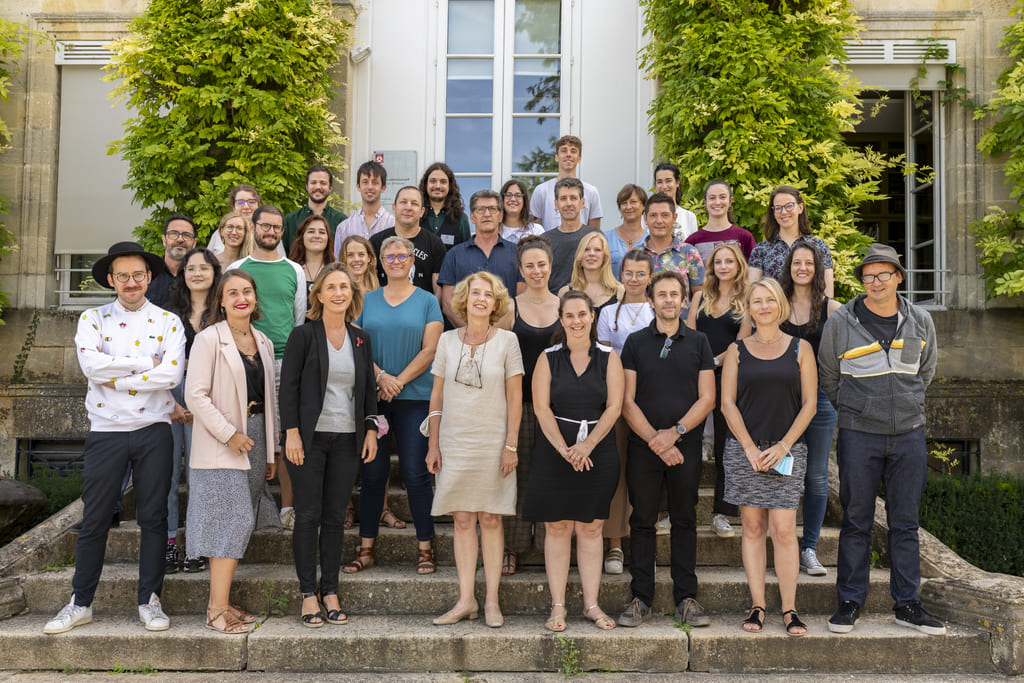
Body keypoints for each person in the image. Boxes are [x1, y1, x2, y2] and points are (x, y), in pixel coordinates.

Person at [45, 242, 184, 635]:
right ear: (110, 279)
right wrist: (145, 365)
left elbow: (171, 377)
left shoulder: (169, 323)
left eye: (138, 275)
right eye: (122, 276)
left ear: (149, 277)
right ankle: (80, 602)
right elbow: (91, 367)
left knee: (154, 517)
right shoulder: (92, 318)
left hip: (154, 429)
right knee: (94, 518)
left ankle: (150, 600)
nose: (130, 282)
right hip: (105, 430)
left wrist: (115, 375)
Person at [819, 244, 944, 636]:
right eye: (869, 276)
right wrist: (858, 410)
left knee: (905, 523)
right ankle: (849, 602)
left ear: (898, 277)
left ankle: (907, 604)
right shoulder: (842, 322)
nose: (875, 282)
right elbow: (829, 376)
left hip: (909, 435)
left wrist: (906, 405)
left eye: (883, 275)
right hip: (859, 435)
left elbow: (926, 372)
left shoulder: (920, 320)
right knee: (856, 521)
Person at [279, 264, 379, 628]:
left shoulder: (361, 339)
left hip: (347, 439)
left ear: (352, 295)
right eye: (331, 287)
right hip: (308, 439)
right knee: (307, 515)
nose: (339, 292)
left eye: (345, 287)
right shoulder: (303, 336)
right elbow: (287, 389)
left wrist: (370, 429)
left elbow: (368, 390)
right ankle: (308, 593)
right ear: (318, 295)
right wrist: (291, 433)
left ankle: (331, 589)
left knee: (336, 517)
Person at [618, 270, 715, 629]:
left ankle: (686, 597)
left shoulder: (699, 342)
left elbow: (707, 398)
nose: (669, 299)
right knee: (642, 521)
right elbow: (626, 401)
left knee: (685, 519)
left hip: (684, 446)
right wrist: (655, 441)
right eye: (662, 294)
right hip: (644, 448)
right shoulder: (635, 342)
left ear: (684, 298)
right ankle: (641, 597)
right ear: (651, 300)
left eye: (676, 293)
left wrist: (673, 434)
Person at [720, 277, 817, 637]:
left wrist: (784, 446)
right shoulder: (736, 351)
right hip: (746, 450)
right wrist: (749, 448)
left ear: (780, 305)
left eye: (769, 300)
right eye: (756, 301)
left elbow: (809, 405)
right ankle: (758, 605)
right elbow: (727, 403)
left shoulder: (800, 349)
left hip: (788, 450)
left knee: (784, 530)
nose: (763, 306)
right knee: (753, 528)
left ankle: (790, 609)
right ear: (748, 307)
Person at [427, 272, 523, 628]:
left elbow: (516, 398)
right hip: (454, 439)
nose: (480, 299)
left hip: (494, 440)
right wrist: (433, 442)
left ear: (496, 303)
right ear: (464, 300)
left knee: (491, 517)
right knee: (463, 519)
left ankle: (493, 601)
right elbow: (436, 396)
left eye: (488, 294)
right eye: (474, 293)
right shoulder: (448, 341)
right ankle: (466, 599)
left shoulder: (508, 341)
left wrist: (510, 444)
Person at [184, 269, 278, 635]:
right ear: (220, 301)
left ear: (255, 299)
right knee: (231, 521)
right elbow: (195, 395)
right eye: (233, 292)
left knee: (241, 522)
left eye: (247, 292)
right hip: (222, 442)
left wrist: (272, 453)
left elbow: (269, 402)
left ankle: (222, 602)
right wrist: (229, 434)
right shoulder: (209, 339)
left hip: (255, 439)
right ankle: (215, 610)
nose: (241, 298)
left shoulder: (264, 342)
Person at [523, 291, 623, 632]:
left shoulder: (609, 357)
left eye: (582, 314)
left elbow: (614, 407)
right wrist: (566, 450)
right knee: (558, 526)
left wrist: (587, 447)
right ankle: (558, 606)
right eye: (570, 315)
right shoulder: (547, 357)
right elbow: (540, 408)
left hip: (598, 452)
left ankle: (592, 605)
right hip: (555, 453)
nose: (577, 321)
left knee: (592, 527)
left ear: (592, 316)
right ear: (561, 319)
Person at [348, 236, 443, 575]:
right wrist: (382, 377)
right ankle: (366, 547)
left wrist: (398, 380)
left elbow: (431, 350)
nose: (396, 260)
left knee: (417, 475)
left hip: (415, 396)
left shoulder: (428, 301)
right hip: (374, 397)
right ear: (381, 262)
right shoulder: (364, 301)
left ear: (411, 261)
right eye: (390, 255)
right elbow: (356, 345)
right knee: (373, 475)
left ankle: (425, 548)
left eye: (402, 254)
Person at [229, 205, 305, 530]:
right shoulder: (237, 268)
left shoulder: (295, 270)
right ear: (253, 226)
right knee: (251, 433)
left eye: (277, 227)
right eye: (265, 226)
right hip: (248, 362)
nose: (271, 231)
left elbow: (299, 318)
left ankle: (288, 507)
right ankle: (248, 506)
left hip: (286, 363)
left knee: (287, 434)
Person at [779, 240, 842, 577]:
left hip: (819, 400)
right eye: (796, 263)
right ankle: (782, 545)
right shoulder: (778, 305)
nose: (802, 268)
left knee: (816, 476)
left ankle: (809, 548)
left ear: (817, 269)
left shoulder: (832, 309)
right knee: (782, 472)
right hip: (782, 400)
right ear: (788, 268)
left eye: (809, 263)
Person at [499, 235, 561, 576]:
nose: (536, 271)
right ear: (520, 269)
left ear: (550, 267)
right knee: (518, 476)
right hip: (520, 405)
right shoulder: (510, 306)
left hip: (556, 407)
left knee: (553, 476)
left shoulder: (564, 304)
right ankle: (514, 546)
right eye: (529, 265)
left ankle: (550, 542)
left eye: (542, 264)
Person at [685, 243, 751, 539]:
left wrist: (714, 361)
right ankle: (676, 509)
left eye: (729, 261)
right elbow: (687, 333)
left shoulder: (747, 299)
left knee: (728, 445)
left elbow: (742, 341)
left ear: (738, 265)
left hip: (729, 375)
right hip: (695, 375)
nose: (724, 266)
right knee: (687, 440)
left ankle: (722, 512)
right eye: (719, 262)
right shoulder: (699, 296)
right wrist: (701, 364)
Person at [596, 248, 655, 573]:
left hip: (653, 400)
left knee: (647, 471)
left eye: (640, 274)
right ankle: (616, 544)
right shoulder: (608, 314)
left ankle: (645, 537)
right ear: (622, 276)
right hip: (618, 402)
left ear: (649, 276)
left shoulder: (658, 310)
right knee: (617, 472)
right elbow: (605, 358)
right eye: (628, 273)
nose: (634, 279)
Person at [164, 248, 222, 575]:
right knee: (169, 474)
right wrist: (171, 401)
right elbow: (157, 361)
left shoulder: (223, 312)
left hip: (212, 394)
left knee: (200, 474)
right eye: (190, 268)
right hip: (171, 394)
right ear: (182, 274)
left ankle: (197, 546)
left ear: (215, 272)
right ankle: (170, 543)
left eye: (204, 267)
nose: (197, 273)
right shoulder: (168, 314)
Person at [439, 189, 520, 327]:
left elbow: (520, 301)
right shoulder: (454, 255)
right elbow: (448, 304)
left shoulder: (517, 253)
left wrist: (495, 335)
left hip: (504, 336)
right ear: (472, 217)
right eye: (481, 209)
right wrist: (472, 333)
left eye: (492, 209)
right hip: (464, 337)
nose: (487, 214)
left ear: (500, 216)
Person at [749, 185, 834, 298]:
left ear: (800, 208)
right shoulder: (761, 250)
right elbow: (752, 293)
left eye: (789, 206)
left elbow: (827, 294)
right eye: (778, 208)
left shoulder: (819, 246)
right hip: (773, 313)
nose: (783, 212)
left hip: (810, 313)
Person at [369, 185, 446, 296]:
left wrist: (431, 313)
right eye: (403, 202)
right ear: (394, 208)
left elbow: (438, 291)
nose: (408, 207)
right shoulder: (376, 242)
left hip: (421, 312)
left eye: (414, 203)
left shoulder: (435, 244)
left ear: (422, 211)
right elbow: (370, 284)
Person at [641, 193, 705, 320]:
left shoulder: (689, 253)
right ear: (645, 219)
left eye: (665, 215)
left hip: (683, 329)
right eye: (653, 215)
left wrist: (692, 324)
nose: (659, 221)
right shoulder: (635, 255)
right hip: (643, 330)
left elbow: (699, 294)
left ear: (674, 218)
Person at [529, 135, 603, 231]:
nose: (568, 154)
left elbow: (595, 233)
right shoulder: (541, 191)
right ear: (556, 157)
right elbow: (535, 231)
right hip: (549, 245)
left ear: (579, 158)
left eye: (573, 151)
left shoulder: (591, 191)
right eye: (564, 151)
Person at [545, 177, 601, 294]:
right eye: (563, 198)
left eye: (573, 198)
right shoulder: (545, 241)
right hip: (555, 306)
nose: (568, 203)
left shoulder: (594, 237)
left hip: (590, 304)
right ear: (556, 204)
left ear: (582, 203)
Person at [685, 179, 756, 265]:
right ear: (705, 202)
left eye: (722, 197)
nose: (717, 202)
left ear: (730, 201)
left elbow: (753, 273)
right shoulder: (693, 241)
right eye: (712, 198)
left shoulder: (744, 237)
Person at [282, 165, 348, 254]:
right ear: (306, 186)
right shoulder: (291, 220)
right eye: (313, 182)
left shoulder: (341, 221)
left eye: (323, 183)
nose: (318, 187)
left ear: (330, 188)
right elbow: (283, 254)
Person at [558, 231, 624, 318]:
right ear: (580, 255)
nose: (591, 254)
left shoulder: (620, 291)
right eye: (586, 249)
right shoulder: (564, 292)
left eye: (597, 250)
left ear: (605, 257)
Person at [333, 160, 395, 249]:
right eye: (365, 182)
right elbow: (339, 261)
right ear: (358, 186)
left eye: (375, 182)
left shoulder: (393, 225)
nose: (370, 187)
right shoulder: (344, 228)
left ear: (383, 188)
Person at [148, 214, 198, 310]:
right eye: (173, 234)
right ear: (164, 240)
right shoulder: (147, 276)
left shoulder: (202, 278)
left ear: (194, 243)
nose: (180, 239)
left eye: (186, 235)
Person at [419, 162, 472, 249]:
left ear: (450, 186)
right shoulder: (415, 216)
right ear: (425, 185)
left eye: (443, 182)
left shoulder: (461, 218)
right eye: (433, 181)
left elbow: (467, 254)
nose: (437, 186)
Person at [604, 185, 648, 280]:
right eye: (624, 203)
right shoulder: (606, 238)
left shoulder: (650, 239)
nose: (628, 207)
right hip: (612, 294)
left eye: (633, 202)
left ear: (644, 205)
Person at [287, 214, 335, 299]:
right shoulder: (291, 270)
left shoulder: (335, 270)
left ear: (328, 238)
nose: (317, 236)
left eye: (322, 232)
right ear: (302, 237)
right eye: (311, 231)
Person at [208, 184, 264, 256]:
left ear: (258, 206)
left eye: (251, 202)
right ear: (233, 207)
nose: (246, 207)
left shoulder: (268, 233)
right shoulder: (220, 234)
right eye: (240, 202)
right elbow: (207, 261)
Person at [650, 162, 698, 241]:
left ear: (677, 183)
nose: (664, 186)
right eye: (659, 182)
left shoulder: (689, 217)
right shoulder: (647, 216)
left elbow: (693, 249)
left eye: (668, 181)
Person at [498, 179, 544, 243]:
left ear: (524, 201)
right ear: (502, 199)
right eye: (508, 195)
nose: (513, 199)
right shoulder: (494, 229)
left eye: (518, 195)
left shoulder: (536, 230)